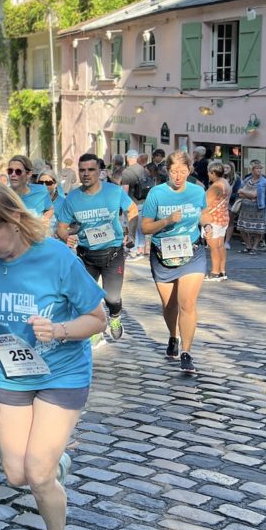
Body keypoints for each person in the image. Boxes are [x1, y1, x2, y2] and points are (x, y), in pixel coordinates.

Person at [0, 182, 106, 530]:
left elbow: (97, 319)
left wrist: (59, 329)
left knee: (38, 474)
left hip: (62, 373)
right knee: (15, 475)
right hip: (13, 370)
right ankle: (51, 465)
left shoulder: (57, 258)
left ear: (12, 219)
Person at [140, 150, 211, 375]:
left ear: (189, 170)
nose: (178, 176)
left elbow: (201, 214)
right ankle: (173, 336)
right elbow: (145, 228)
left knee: (187, 303)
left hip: (193, 251)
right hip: (163, 254)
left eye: (182, 171)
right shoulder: (156, 194)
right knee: (169, 305)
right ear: (167, 171)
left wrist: (207, 225)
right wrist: (167, 220)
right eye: (173, 171)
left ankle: (187, 353)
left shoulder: (197, 191)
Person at [57, 153, 137, 341]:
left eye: (91, 170)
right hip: (86, 255)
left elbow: (132, 211)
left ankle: (115, 316)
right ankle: (94, 330)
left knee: (112, 298)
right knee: (88, 299)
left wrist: (131, 233)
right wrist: (66, 238)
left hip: (113, 253)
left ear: (99, 172)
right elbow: (61, 227)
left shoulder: (114, 191)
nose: (86, 174)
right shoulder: (73, 198)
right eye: (82, 170)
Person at [236, 160, 266, 253]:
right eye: (257, 168)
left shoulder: (263, 181)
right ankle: (248, 246)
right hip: (245, 208)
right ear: (252, 169)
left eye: (260, 168)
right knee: (242, 228)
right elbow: (239, 193)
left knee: (257, 229)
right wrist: (248, 195)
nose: (259, 170)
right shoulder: (247, 179)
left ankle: (254, 247)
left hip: (258, 208)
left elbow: (255, 195)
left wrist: (246, 193)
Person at [6, 155, 53, 221]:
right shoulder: (2, 195)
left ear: (29, 174)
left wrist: (43, 222)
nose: (13, 174)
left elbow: (50, 209)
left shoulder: (41, 191)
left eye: (18, 171)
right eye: (10, 171)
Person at [204, 161, 230, 280]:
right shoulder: (225, 183)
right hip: (223, 217)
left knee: (213, 246)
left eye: (209, 173)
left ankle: (214, 272)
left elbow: (205, 204)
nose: (208, 175)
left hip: (213, 218)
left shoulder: (215, 186)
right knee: (220, 245)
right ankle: (222, 271)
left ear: (213, 172)